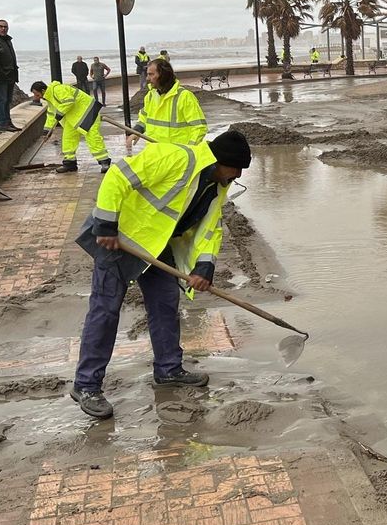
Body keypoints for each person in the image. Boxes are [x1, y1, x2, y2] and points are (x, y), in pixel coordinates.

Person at [69, 129, 253, 419]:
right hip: (121, 239)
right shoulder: (175, 157)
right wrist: (105, 222)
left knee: (166, 304)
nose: (238, 176)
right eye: (237, 169)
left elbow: (210, 227)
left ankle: (168, 369)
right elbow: (118, 176)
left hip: (157, 245)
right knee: (105, 311)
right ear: (220, 161)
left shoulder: (218, 184)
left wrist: (205, 265)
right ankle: (87, 385)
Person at [28, 80, 111, 173]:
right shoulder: (50, 99)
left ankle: (104, 161)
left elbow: (69, 101)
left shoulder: (58, 89)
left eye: (36, 94)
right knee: (68, 138)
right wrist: (46, 131)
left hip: (88, 112)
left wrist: (60, 113)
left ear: (43, 91)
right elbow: (51, 115)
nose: (36, 97)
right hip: (73, 117)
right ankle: (69, 163)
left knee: (93, 137)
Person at [127, 59, 207, 150]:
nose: (147, 78)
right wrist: (137, 131)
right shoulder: (150, 96)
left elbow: (199, 127)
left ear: (163, 75)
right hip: (154, 153)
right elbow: (144, 117)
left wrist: (188, 151)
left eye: (151, 74)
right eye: (147, 74)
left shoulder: (184, 96)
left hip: (176, 156)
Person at [0, 19, 20, 132]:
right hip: (1, 76)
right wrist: (1, 72)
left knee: (8, 100)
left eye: (5, 27)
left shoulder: (8, 40)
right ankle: (2, 123)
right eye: (1, 26)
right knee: (1, 100)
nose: (3, 29)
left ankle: (8, 121)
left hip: (11, 75)